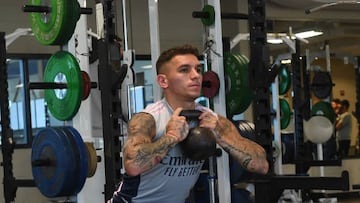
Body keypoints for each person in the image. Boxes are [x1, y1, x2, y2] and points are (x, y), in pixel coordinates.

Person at [107, 44, 269, 203]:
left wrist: (224, 138)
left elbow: (261, 165)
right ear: (163, 81)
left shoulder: (211, 119)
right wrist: (170, 137)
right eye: (184, 70)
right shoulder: (149, 119)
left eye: (198, 69)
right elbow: (133, 165)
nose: (196, 75)